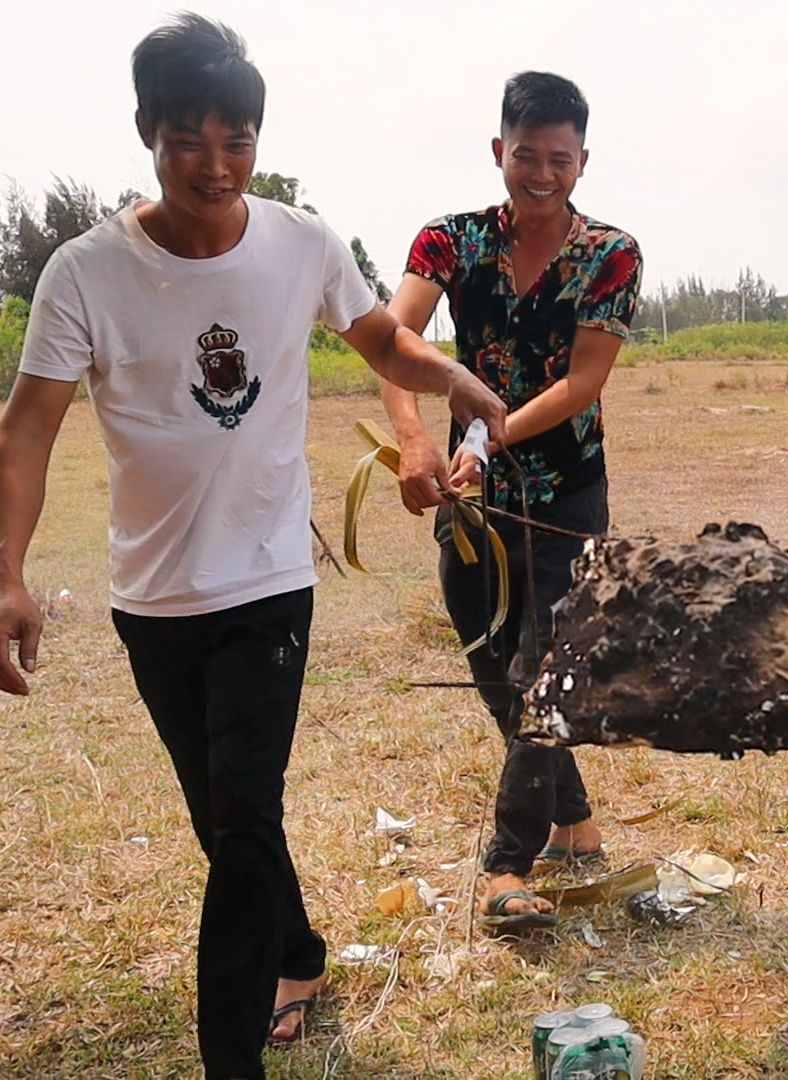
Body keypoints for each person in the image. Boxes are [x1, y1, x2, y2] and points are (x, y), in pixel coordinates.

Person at [0, 16, 505, 1078]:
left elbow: (379, 338)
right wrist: (5, 573)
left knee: (239, 819)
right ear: (147, 132)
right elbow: (29, 429)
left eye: (239, 138)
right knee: (224, 812)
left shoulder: (303, 242)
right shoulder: (85, 274)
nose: (218, 164)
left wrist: (449, 379)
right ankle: (301, 953)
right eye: (191, 138)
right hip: (152, 596)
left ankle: (231, 1057)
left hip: (270, 582)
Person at [381, 71, 642, 932]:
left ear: (582, 161)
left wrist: (484, 435)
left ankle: (505, 866)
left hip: (565, 495)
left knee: (544, 670)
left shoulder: (612, 254)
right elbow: (395, 340)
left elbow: (582, 383)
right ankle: (573, 820)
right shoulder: (448, 242)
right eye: (525, 156)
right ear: (500, 152)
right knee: (492, 661)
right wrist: (417, 439)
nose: (541, 174)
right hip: (471, 503)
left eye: (559, 160)